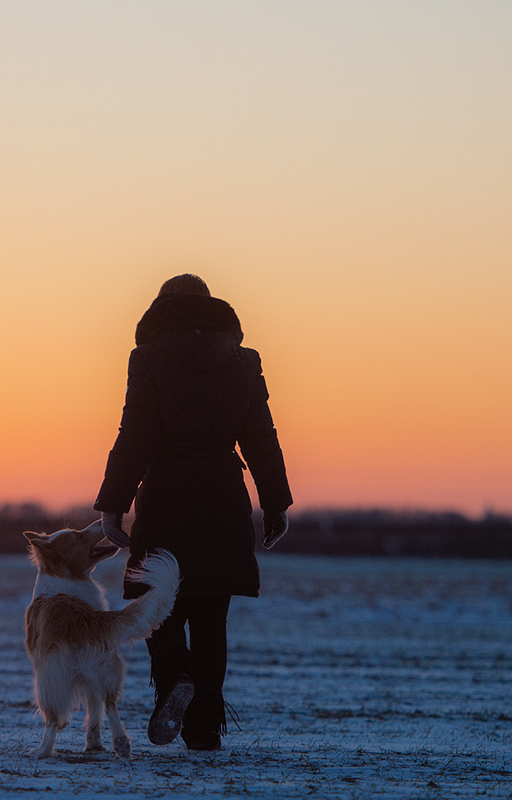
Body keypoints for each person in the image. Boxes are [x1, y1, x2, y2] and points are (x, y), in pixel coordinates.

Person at [93, 274, 292, 751]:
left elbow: (135, 434)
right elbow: (261, 437)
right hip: (224, 502)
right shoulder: (244, 362)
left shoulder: (148, 359)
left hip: (166, 501)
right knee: (210, 618)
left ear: (162, 309)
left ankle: (175, 674)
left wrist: (113, 505)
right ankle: (204, 730)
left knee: (155, 608)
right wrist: (276, 503)